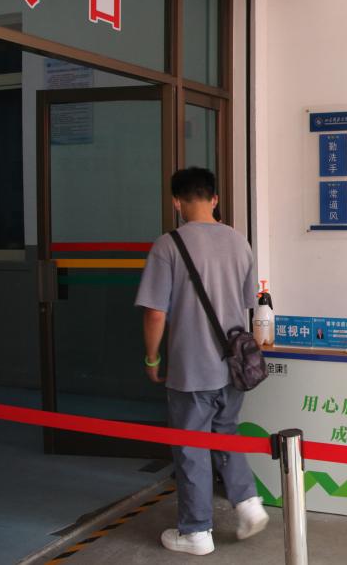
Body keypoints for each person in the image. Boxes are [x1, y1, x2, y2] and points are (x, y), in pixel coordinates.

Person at [135, 167, 268, 556]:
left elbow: (155, 313)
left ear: (177, 202)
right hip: (233, 365)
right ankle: (248, 503)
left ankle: (196, 531)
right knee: (225, 432)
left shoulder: (167, 245)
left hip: (190, 367)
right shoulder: (239, 242)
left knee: (191, 446)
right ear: (214, 199)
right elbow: (250, 303)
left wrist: (152, 357)